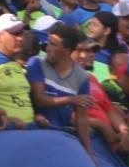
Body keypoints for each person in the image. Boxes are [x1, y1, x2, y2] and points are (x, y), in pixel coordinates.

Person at [27, 23, 95, 157]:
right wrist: (71, 99)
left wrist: (88, 152)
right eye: (48, 43)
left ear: (68, 50)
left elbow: (81, 119)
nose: (47, 48)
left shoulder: (82, 77)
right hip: (35, 131)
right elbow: (40, 100)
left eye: (53, 44)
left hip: (62, 136)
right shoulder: (36, 63)